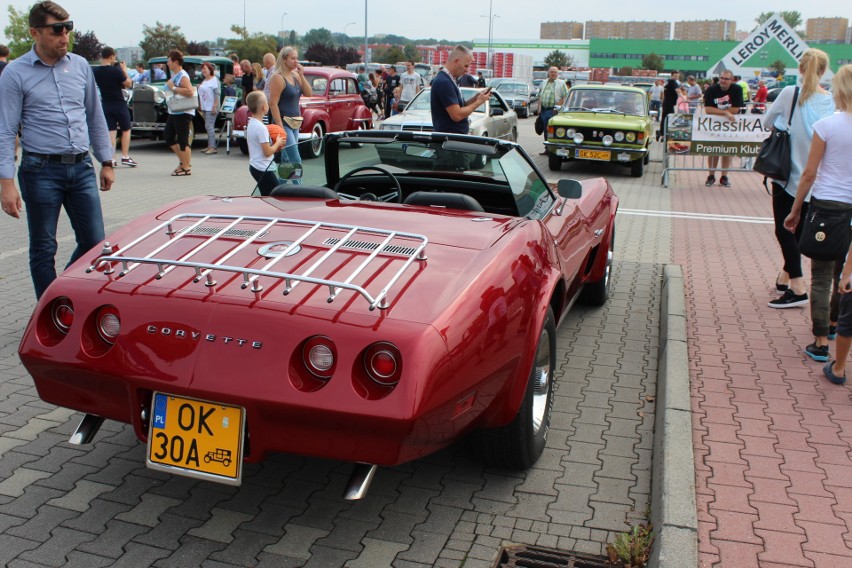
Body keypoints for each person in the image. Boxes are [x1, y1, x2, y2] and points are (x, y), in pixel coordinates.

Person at [0, 1, 114, 299]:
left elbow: (95, 115)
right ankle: (49, 312)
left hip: (82, 168)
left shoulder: (79, 66)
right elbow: (5, 130)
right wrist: (6, 182)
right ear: (35, 33)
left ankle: (59, 292)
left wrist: (106, 160)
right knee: (43, 248)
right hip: (40, 171)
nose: (65, 36)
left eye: (68, 29)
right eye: (57, 30)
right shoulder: (15, 73)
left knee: (95, 242)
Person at [782, 61, 845, 366]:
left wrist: (796, 210)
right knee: (843, 274)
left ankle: (820, 342)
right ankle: (835, 326)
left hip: (827, 205)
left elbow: (809, 173)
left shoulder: (827, 126)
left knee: (820, 276)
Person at [765, 50, 834, 312]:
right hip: (816, 178)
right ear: (824, 71)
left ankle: (797, 286)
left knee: (784, 231)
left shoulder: (789, 94)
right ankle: (786, 276)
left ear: (800, 68)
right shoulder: (830, 101)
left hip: (787, 176)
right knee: (801, 230)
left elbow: (766, 121)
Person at [268, 46, 312, 184]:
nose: (295, 61)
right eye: (292, 58)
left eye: (296, 58)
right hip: (284, 123)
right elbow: (273, 103)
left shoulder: (295, 76)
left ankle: (281, 189)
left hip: (295, 122)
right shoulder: (278, 78)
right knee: (295, 158)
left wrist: (302, 75)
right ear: (284, 59)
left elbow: (309, 93)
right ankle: (299, 190)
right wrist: (279, 125)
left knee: (286, 160)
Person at [429, 45, 491, 135]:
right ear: (456, 61)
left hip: (452, 138)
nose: (467, 70)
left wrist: (476, 98)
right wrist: (479, 102)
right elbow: (457, 115)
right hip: (450, 139)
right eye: (466, 66)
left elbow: (460, 107)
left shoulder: (449, 79)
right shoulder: (445, 82)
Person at [93, 46, 138, 168]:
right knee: (126, 129)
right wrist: (124, 70)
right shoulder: (116, 71)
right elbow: (128, 84)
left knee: (111, 131)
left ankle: (111, 158)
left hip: (106, 103)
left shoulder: (95, 71)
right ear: (112, 56)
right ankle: (125, 156)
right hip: (119, 102)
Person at [702, 70, 743, 187]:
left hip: (729, 125)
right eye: (722, 78)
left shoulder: (737, 89)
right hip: (714, 125)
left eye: (726, 79)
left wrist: (721, 113)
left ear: (732, 80)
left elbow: (736, 109)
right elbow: (708, 109)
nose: (723, 81)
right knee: (713, 150)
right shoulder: (711, 90)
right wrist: (725, 113)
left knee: (727, 150)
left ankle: (724, 176)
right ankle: (711, 175)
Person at [246, 91, 286, 196]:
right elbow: (267, 152)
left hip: (255, 166)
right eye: (267, 103)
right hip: (262, 168)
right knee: (277, 194)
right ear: (264, 107)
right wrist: (278, 142)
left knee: (266, 195)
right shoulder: (261, 128)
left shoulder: (251, 123)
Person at [164, 50, 194, 176]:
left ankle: (186, 166)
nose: (167, 63)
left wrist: (173, 88)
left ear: (175, 62)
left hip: (183, 111)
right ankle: (183, 162)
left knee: (183, 139)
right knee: (168, 136)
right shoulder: (175, 75)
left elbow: (190, 91)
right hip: (174, 111)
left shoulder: (182, 75)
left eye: (169, 60)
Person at [537, 66, 568, 154]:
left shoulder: (561, 83)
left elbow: (565, 97)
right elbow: (540, 96)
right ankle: (547, 148)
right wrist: (539, 108)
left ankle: (551, 149)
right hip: (544, 110)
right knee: (545, 130)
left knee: (550, 130)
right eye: (551, 72)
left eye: (555, 72)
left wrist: (558, 105)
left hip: (554, 110)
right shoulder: (544, 82)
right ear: (548, 73)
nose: (553, 74)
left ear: (558, 73)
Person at [198, 61, 220, 155]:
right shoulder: (204, 81)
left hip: (211, 106)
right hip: (204, 106)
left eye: (205, 69)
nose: (203, 71)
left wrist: (214, 106)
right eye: (202, 69)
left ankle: (213, 147)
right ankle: (209, 145)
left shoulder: (214, 80)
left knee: (209, 126)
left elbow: (217, 94)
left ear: (210, 70)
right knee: (208, 126)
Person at [659, 70, 680, 140]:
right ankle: (667, 135)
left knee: (664, 118)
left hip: (666, 103)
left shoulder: (667, 82)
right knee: (670, 119)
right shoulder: (673, 82)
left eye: (677, 76)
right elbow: (677, 91)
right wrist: (684, 98)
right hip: (669, 104)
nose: (676, 77)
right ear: (672, 75)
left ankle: (662, 134)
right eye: (675, 76)